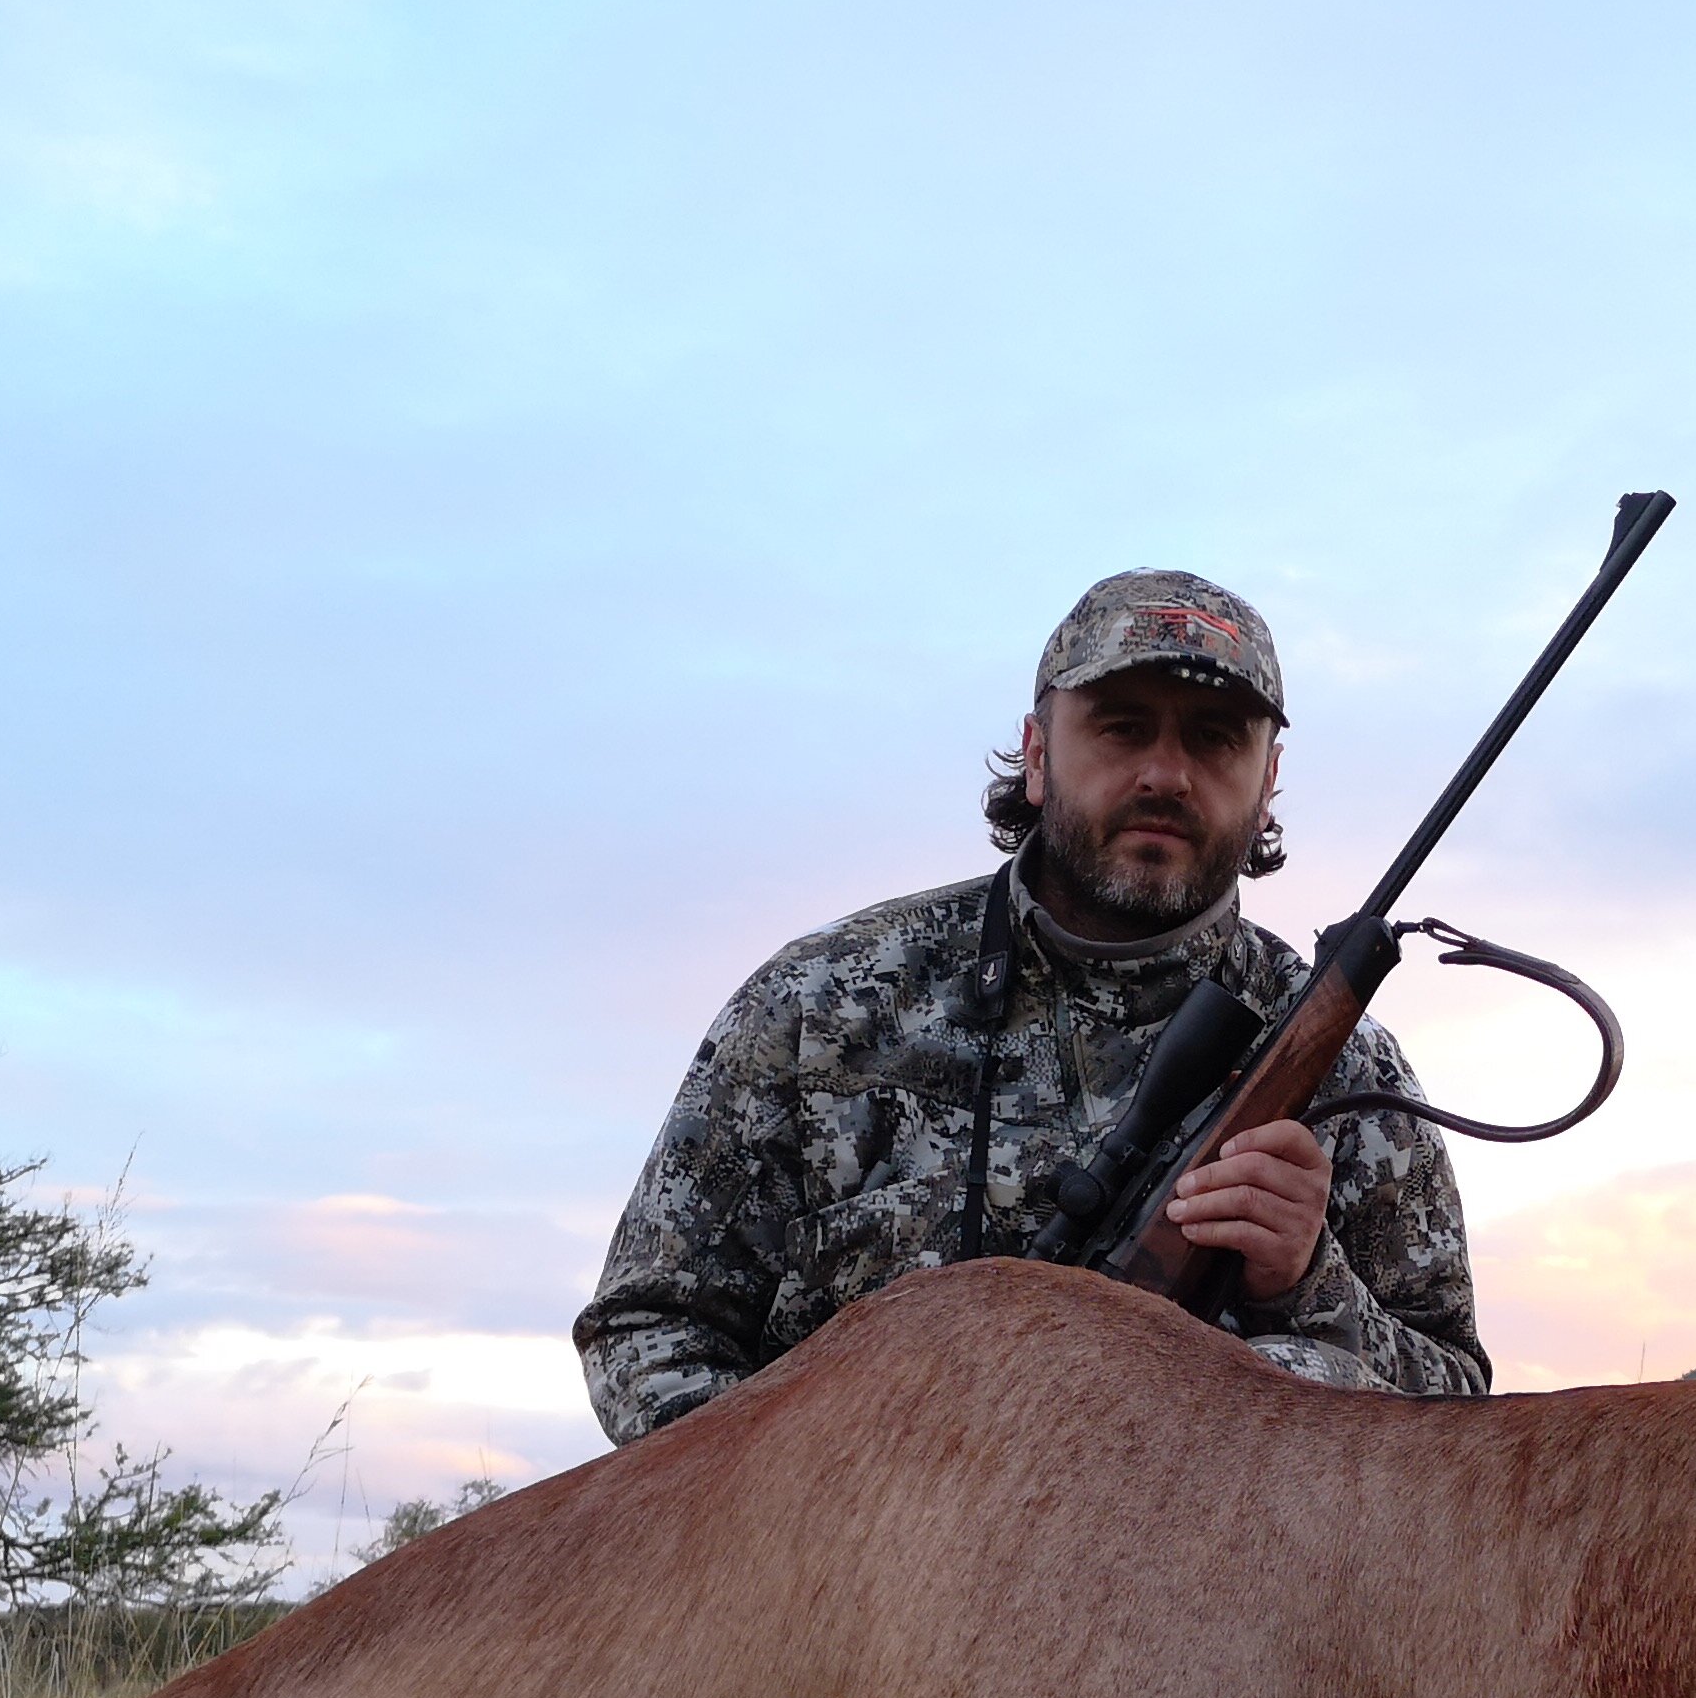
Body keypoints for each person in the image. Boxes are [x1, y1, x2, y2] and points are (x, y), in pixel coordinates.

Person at [575, 568, 1487, 1441]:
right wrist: (823, 1522)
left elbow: (1459, 1406)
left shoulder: (1349, 1070)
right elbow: (647, 1326)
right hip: (844, 1589)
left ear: (1268, 781)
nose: (1167, 775)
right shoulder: (821, 1006)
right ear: (1040, 753)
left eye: (1215, 739)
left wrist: (1307, 1283)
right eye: (1124, 728)